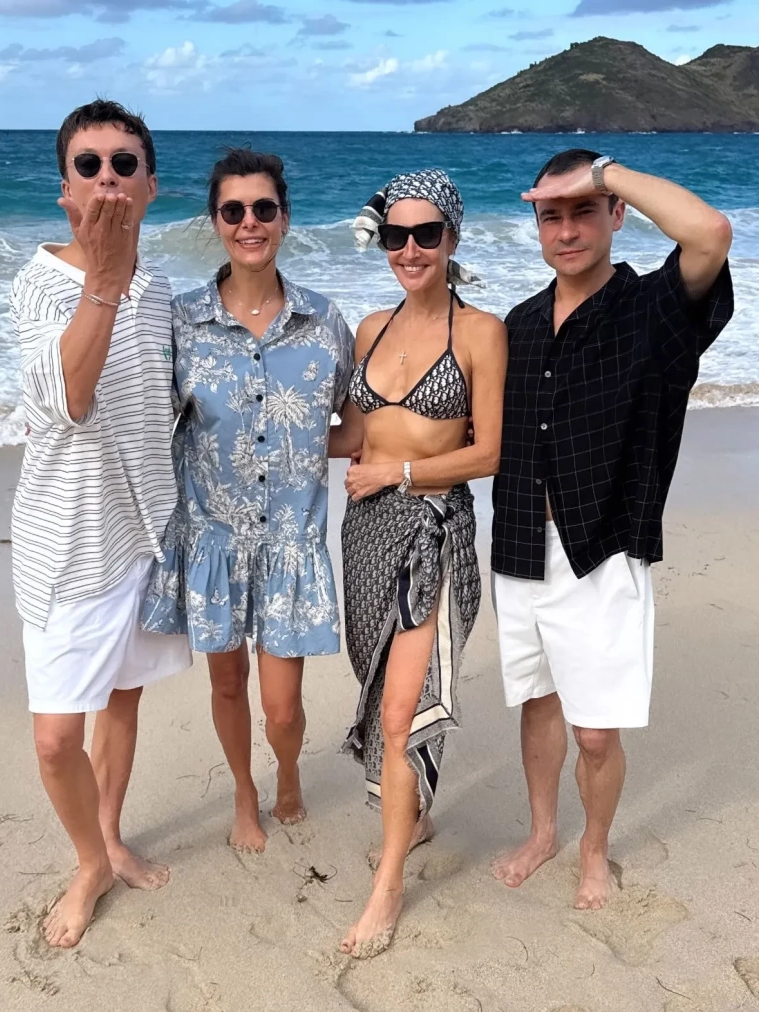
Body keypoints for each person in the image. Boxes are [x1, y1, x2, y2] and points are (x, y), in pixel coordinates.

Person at [491, 149, 733, 910]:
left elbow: (710, 232)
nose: (566, 231)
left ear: (616, 214)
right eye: (550, 216)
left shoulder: (653, 309)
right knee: (538, 701)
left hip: (601, 548)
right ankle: (542, 832)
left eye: (583, 212)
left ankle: (593, 848)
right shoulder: (519, 325)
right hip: (518, 544)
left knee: (596, 733)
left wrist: (602, 171)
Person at [10, 100, 192, 948]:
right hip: (66, 546)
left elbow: (177, 407)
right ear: (65, 190)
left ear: (150, 187)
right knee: (56, 739)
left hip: (145, 532)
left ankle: (110, 835)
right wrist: (105, 283)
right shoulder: (40, 283)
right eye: (89, 165)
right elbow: (69, 399)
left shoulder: (160, 293)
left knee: (123, 693)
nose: (108, 178)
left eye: (125, 164)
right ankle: (89, 863)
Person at [142, 149, 354, 854]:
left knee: (283, 708)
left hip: (291, 542)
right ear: (215, 222)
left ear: (284, 218)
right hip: (214, 541)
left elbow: (356, 422)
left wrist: (307, 452)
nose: (249, 222)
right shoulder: (182, 321)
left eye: (263, 208)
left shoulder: (325, 322)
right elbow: (152, 422)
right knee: (228, 684)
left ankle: (287, 770)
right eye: (233, 210)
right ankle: (243, 790)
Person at [331, 170, 507, 958]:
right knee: (377, 690)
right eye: (396, 235)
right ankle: (419, 814)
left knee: (403, 711)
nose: (409, 249)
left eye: (425, 234)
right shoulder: (370, 328)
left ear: (451, 238)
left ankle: (389, 884)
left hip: (434, 534)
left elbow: (489, 452)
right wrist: (262, 430)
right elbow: (354, 436)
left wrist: (398, 475)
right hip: (364, 534)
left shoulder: (480, 333)